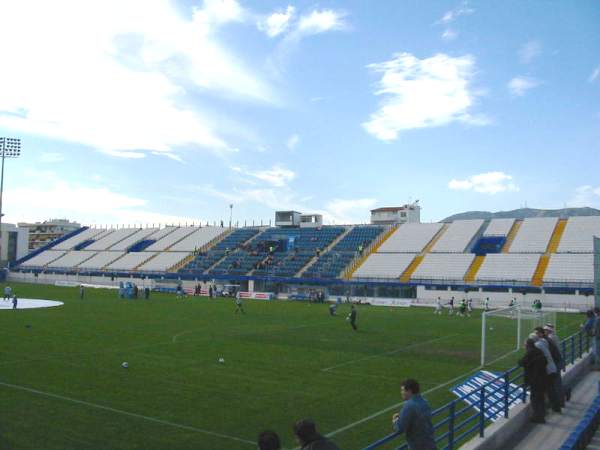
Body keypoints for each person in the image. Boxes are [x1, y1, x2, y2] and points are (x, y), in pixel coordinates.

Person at [392, 379, 436, 450]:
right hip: (430, 444)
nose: (401, 392)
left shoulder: (409, 405)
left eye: (403, 390)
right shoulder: (424, 401)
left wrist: (395, 420)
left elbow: (400, 428)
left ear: (409, 391)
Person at [531, 329, 561, 413]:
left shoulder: (538, 345)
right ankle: (555, 406)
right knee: (551, 388)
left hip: (548, 370)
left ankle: (552, 407)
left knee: (549, 389)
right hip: (552, 367)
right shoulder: (544, 341)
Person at [519, 338, 548, 423]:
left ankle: (538, 417)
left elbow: (522, 362)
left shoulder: (530, 352)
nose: (524, 346)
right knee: (540, 398)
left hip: (535, 380)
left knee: (535, 398)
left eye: (525, 344)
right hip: (543, 377)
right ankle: (541, 416)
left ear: (528, 345)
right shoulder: (538, 351)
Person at [544, 324, 571, 404]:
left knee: (556, 382)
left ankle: (562, 397)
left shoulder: (551, 338)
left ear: (548, 331)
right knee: (555, 382)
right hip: (557, 361)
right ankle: (563, 393)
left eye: (545, 330)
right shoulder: (553, 337)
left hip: (556, 362)